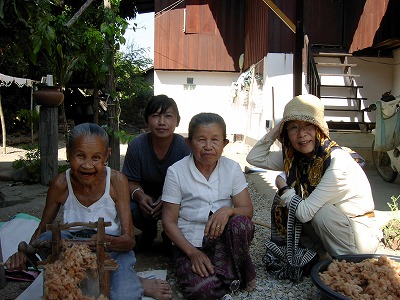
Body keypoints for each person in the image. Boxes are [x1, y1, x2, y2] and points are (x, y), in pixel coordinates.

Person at [5, 123, 172, 300]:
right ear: (68, 153)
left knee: (126, 296)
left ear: (106, 156)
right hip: (71, 247)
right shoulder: (61, 184)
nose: (87, 165)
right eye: (80, 156)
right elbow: (42, 228)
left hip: (112, 248)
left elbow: (129, 240)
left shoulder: (116, 181)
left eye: (96, 158)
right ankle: (120, 278)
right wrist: (25, 253)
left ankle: (133, 280)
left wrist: (107, 242)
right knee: (47, 243)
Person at [246, 94, 381, 259]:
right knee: (300, 206)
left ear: (319, 130)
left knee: (313, 210)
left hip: (360, 237)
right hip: (335, 228)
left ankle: (349, 263)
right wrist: (280, 125)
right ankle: (320, 254)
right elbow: (254, 157)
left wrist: (283, 187)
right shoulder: (296, 158)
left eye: (308, 126)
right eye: (294, 127)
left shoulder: (337, 161)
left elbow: (304, 213)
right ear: (286, 133)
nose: (302, 134)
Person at [162, 112, 256, 300]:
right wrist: (193, 253)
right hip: (190, 241)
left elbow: (247, 210)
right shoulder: (176, 172)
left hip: (224, 239)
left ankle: (231, 267)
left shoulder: (232, 168)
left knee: (241, 223)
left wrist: (228, 210)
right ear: (189, 143)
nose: (208, 147)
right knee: (202, 291)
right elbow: (168, 221)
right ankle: (235, 271)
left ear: (224, 144)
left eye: (215, 140)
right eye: (201, 140)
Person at [122, 95, 190, 252]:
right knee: (127, 206)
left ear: (177, 121)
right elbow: (129, 182)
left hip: (176, 199)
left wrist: (169, 200)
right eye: (155, 116)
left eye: (168, 116)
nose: (162, 122)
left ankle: (170, 235)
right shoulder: (136, 146)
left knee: (192, 205)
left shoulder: (184, 147)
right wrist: (140, 196)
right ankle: (149, 231)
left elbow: (191, 184)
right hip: (147, 199)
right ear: (147, 120)